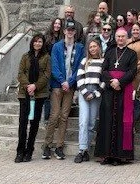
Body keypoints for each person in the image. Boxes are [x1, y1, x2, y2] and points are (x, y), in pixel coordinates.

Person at [42, 20, 84, 160]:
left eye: (72, 30)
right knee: (54, 115)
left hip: (70, 86)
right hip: (57, 85)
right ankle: (47, 145)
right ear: (64, 31)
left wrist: (70, 82)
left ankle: (59, 146)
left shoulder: (80, 47)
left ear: (75, 32)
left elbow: (80, 67)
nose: (70, 32)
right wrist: (62, 81)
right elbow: (54, 66)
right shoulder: (57, 46)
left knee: (64, 116)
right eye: (68, 30)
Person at [95, 28, 137, 165]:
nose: (120, 39)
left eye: (123, 36)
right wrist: (111, 82)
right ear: (116, 37)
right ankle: (106, 154)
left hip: (123, 90)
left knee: (120, 121)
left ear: (127, 38)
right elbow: (103, 70)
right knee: (107, 120)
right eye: (118, 36)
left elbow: (132, 71)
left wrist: (120, 82)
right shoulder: (109, 52)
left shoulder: (132, 53)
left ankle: (119, 156)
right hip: (109, 91)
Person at [15, 33, 51, 163]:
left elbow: (47, 75)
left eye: (40, 41)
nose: (37, 43)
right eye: (35, 41)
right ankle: (20, 151)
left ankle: (29, 151)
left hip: (39, 95)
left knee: (34, 123)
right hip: (24, 94)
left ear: (43, 44)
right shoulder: (25, 56)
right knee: (23, 122)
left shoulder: (46, 57)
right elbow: (21, 73)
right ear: (32, 43)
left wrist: (35, 86)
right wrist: (28, 86)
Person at [74, 39, 104, 163]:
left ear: (99, 47)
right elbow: (79, 77)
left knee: (91, 123)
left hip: (96, 93)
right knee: (83, 121)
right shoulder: (85, 61)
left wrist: (96, 93)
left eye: (94, 46)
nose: (92, 49)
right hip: (84, 92)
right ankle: (81, 150)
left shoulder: (103, 62)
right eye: (90, 47)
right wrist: (85, 92)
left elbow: (104, 80)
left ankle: (86, 150)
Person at [43, 17, 63, 122]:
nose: (57, 25)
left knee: (57, 92)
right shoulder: (46, 37)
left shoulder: (62, 38)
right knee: (48, 92)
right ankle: (47, 117)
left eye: (59, 24)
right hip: (48, 67)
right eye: (55, 23)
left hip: (59, 67)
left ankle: (56, 116)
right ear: (52, 24)